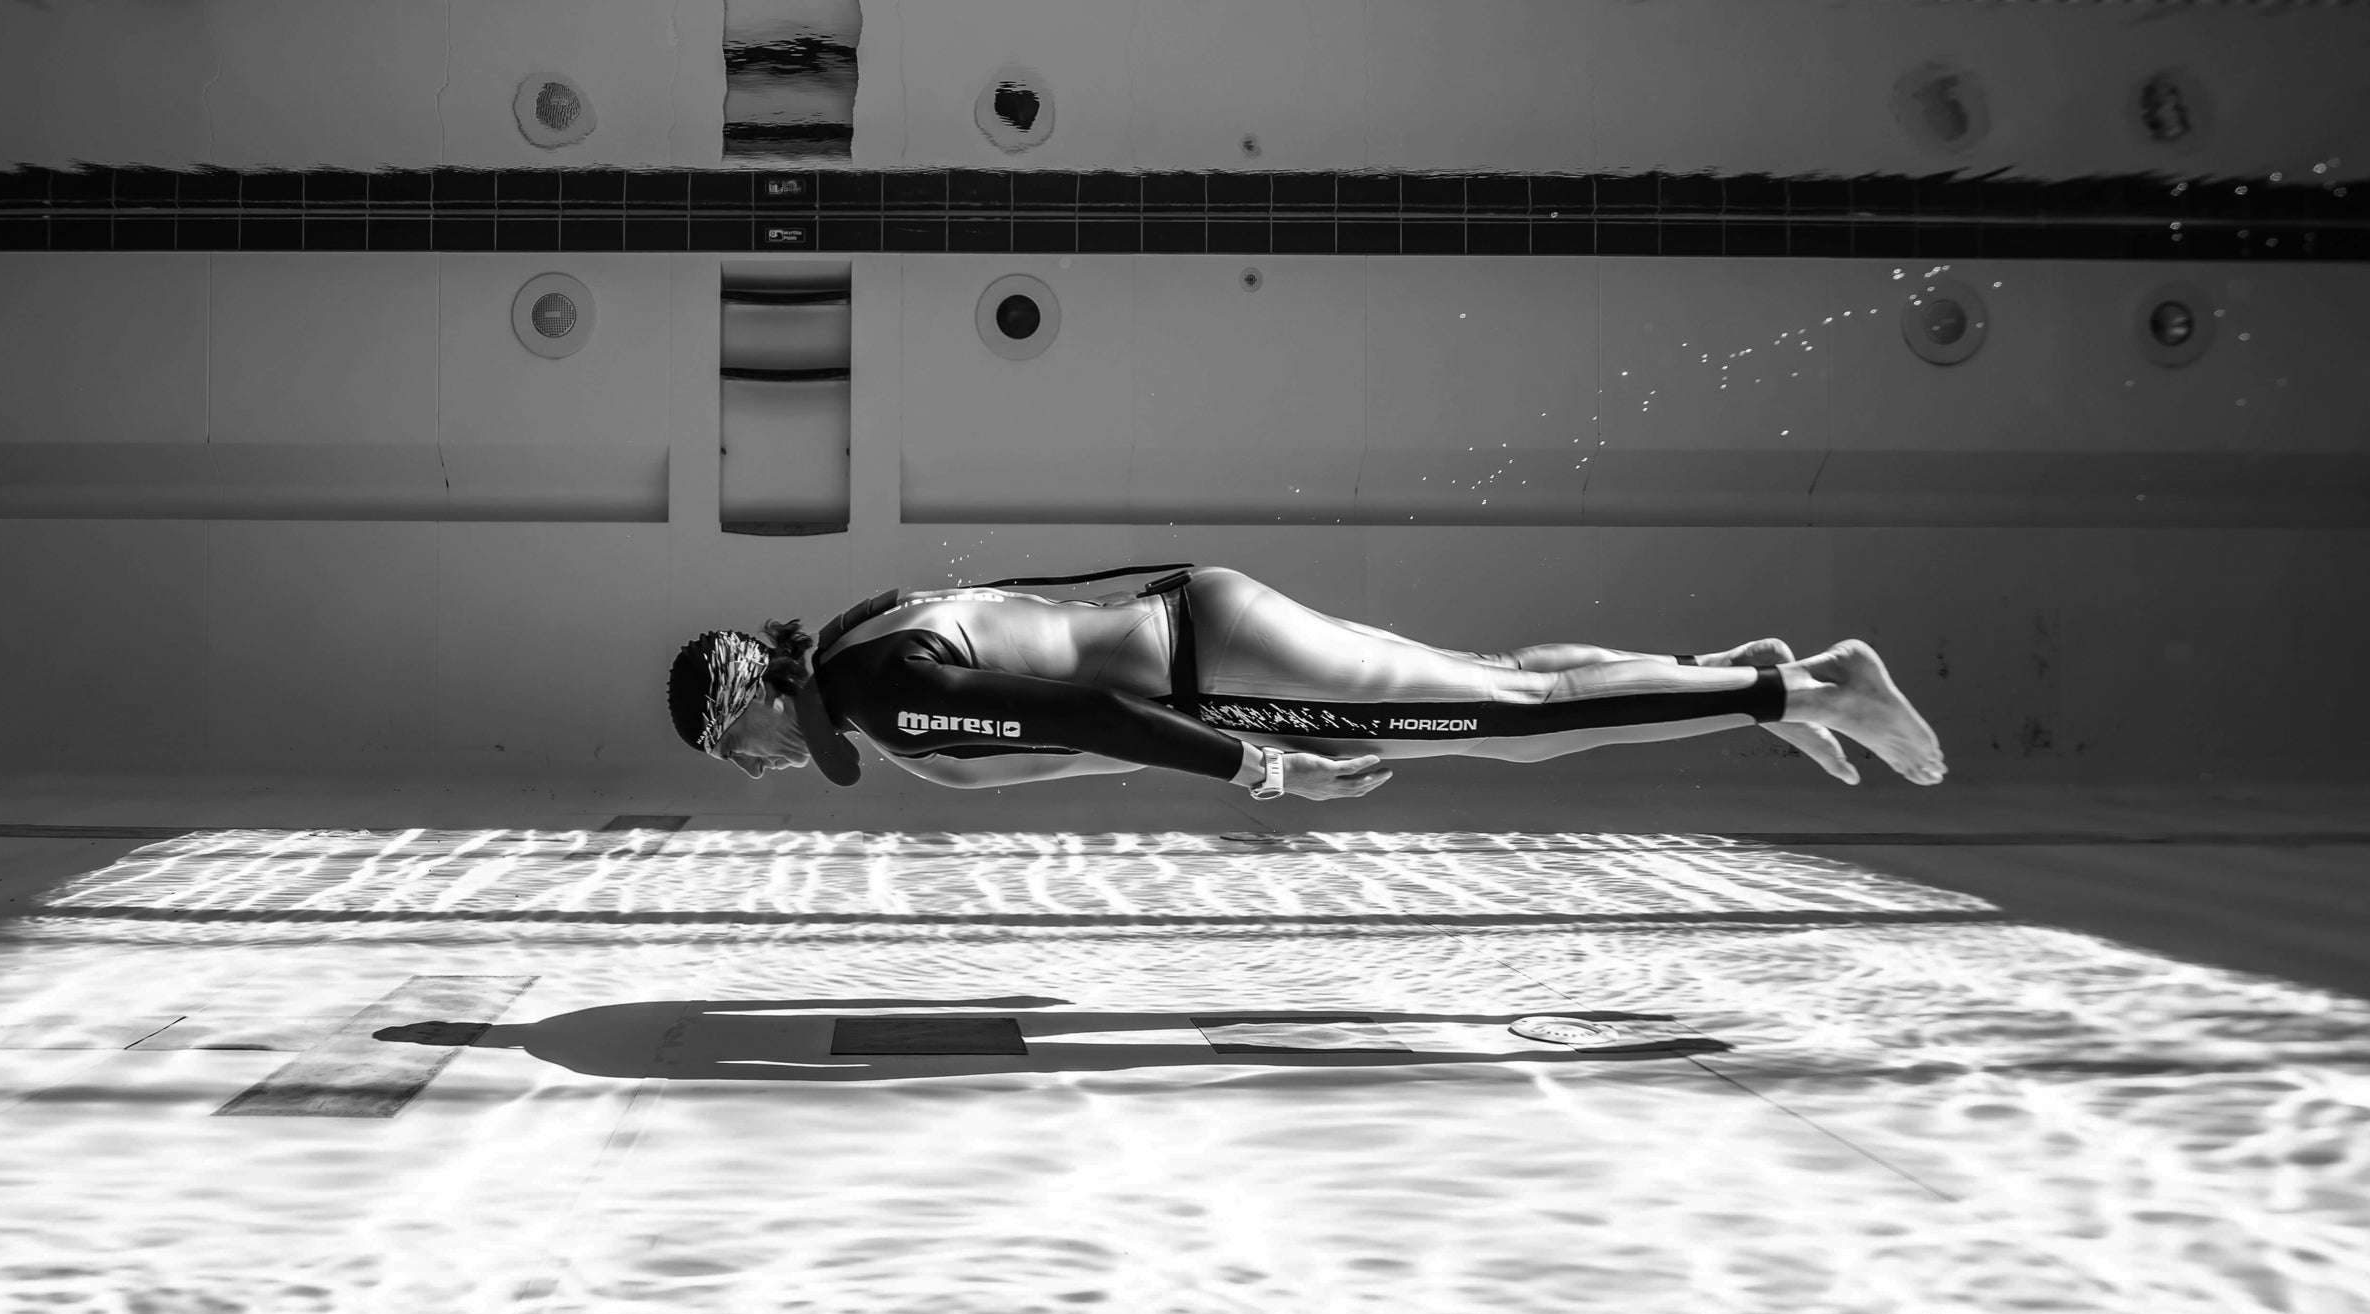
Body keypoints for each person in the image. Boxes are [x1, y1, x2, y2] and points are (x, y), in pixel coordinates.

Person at [664, 565, 1943, 801]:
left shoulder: (882, 689)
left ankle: (1813, 694)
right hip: (1203, 630)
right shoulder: (857, 637)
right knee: (1501, 691)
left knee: (1516, 725)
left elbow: (1093, 716)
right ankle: (1731, 679)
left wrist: (1265, 767)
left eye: (741, 750)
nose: (761, 770)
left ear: (756, 703)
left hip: (1215, 672)